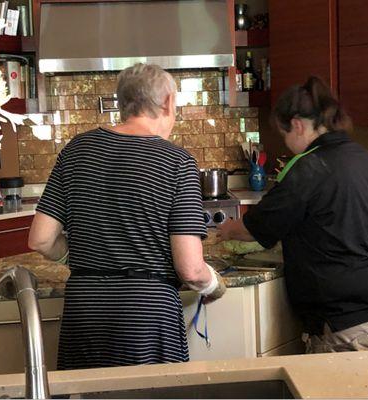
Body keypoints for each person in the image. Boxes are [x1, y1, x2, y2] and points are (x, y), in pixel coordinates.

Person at [28, 63, 226, 369]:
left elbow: (40, 240)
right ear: (168, 102)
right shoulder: (178, 163)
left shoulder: (76, 150)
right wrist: (214, 285)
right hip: (146, 314)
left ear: (122, 104)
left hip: (85, 309)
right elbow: (190, 269)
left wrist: (83, 256)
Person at [218, 76, 368, 354]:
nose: (286, 144)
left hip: (351, 314)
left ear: (297, 125)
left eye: (284, 134)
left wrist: (225, 230)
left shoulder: (310, 167)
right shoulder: (361, 156)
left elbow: (256, 227)